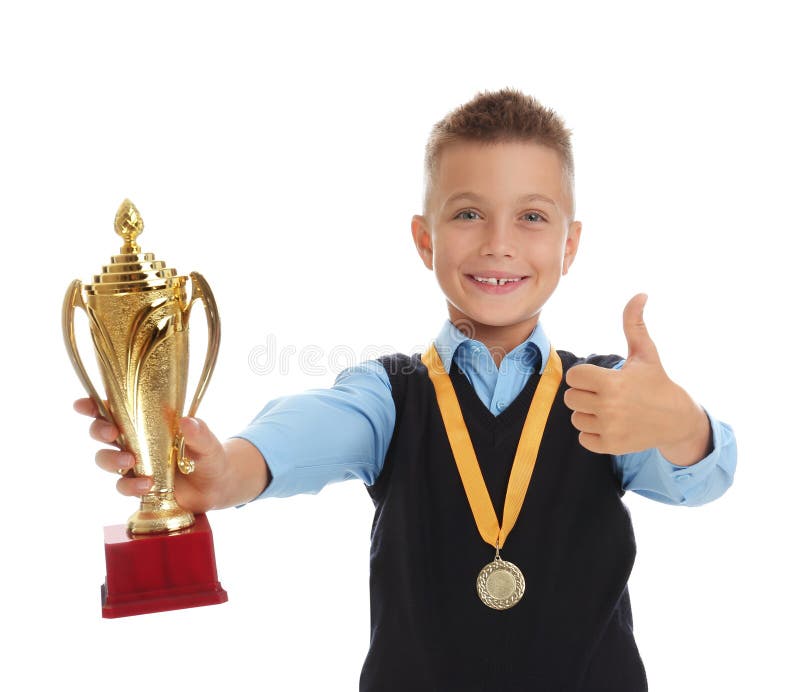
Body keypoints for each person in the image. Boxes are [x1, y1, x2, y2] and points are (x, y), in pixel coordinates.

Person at [74, 88, 737, 691]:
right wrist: (222, 473)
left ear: (571, 246)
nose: (499, 244)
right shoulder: (390, 395)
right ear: (425, 239)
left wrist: (681, 424)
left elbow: (705, 479)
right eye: (469, 213)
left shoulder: (611, 397)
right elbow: (302, 432)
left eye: (533, 217)